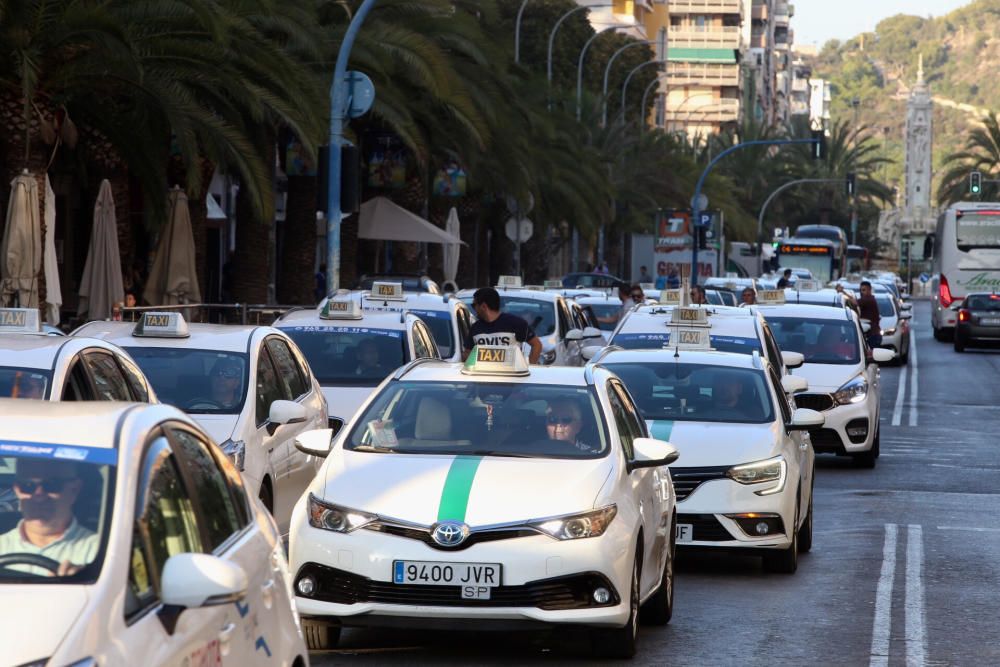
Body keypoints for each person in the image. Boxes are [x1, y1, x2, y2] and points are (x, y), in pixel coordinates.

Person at [0, 458, 99, 576]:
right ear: (17, 490)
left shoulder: (100, 552)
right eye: (27, 486)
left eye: (52, 485)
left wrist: (83, 581)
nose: (38, 496)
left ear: (74, 489)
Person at [463, 287, 542, 363]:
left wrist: (530, 367)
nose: (474, 309)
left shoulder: (516, 323)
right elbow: (467, 353)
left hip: (511, 376)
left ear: (483, 306)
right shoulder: (475, 328)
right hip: (484, 375)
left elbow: (537, 345)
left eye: (474, 305)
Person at [857, 281, 882, 348]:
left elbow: (855, 302)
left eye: (864, 290)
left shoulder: (869, 300)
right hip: (870, 335)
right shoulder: (867, 299)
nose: (862, 292)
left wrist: (843, 292)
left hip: (873, 336)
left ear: (869, 290)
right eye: (861, 290)